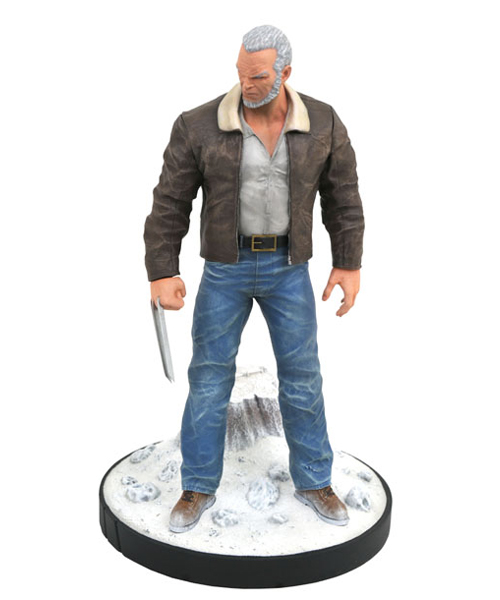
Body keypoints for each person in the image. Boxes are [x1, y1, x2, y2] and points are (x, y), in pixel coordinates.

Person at [144, 25, 365, 533]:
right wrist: (162, 269)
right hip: (226, 268)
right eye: (241, 73)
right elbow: (170, 201)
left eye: (259, 76)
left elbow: (344, 197)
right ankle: (198, 485)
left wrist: (348, 263)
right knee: (209, 379)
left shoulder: (323, 122)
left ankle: (314, 480)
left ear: (285, 73)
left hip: (290, 268)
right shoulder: (199, 125)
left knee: (303, 377)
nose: (247, 83)